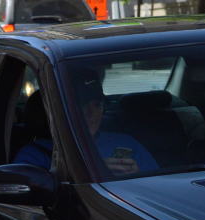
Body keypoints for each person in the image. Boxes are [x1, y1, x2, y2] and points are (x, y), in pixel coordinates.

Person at [14, 75, 158, 176]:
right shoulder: (35, 154)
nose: (91, 113)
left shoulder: (126, 143)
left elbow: (158, 185)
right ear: (64, 109)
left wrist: (136, 174)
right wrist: (96, 170)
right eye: (81, 105)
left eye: (97, 105)